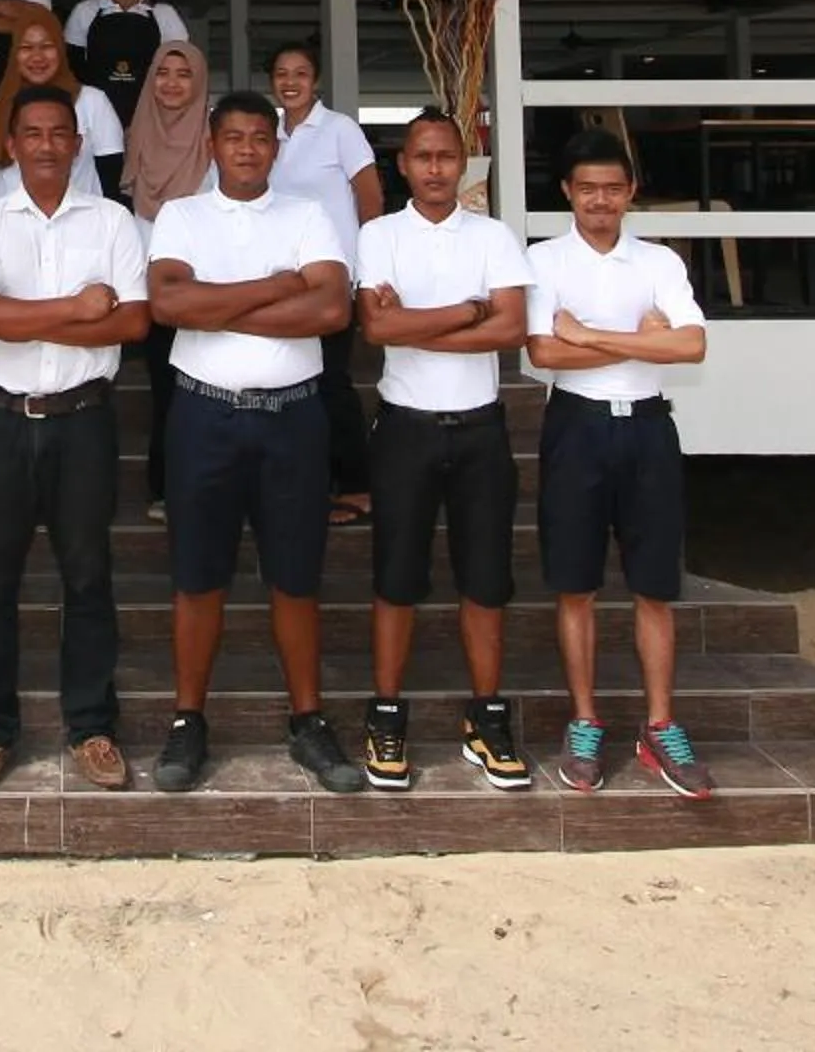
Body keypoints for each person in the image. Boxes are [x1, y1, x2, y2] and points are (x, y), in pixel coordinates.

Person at [145, 90, 366, 796]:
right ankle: (188, 721)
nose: (246, 148)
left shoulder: (308, 216)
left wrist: (222, 304)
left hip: (292, 418)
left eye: (260, 138)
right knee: (197, 577)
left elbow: (331, 309)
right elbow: (170, 305)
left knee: (295, 577)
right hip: (202, 417)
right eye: (233, 137)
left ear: (276, 147)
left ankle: (308, 721)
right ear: (212, 145)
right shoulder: (182, 216)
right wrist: (276, 287)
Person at [0, 85, 150, 792]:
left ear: (77, 142)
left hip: (85, 421)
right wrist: (75, 307)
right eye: (29, 132)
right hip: (2, 422)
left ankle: (91, 726)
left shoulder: (115, 223)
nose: (43, 144)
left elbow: (130, 324)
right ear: (10, 145)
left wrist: (23, 315)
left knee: (88, 580)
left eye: (57, 132)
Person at [526, 125, 714, 800]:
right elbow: (544, 356)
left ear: (631, 192)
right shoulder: (543, 261)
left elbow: (692, 347)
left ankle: (660, 724)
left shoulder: (659, 262)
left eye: (612, 188)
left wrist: (591, 334)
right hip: (575, 426)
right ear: (567, 194)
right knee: (575, 584)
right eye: (587, 190)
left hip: (648, 430)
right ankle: (585, 721)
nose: (600, 201)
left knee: (654, 586)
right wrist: (642, 341)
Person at [353, 109, 535, 791]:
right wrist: (466, 312)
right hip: (406, 430)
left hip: (480, 429)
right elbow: (375, 327)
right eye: (422, 156)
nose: (435, 169)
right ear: (402, 164)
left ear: (465, 164)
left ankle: (485, 718)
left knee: (486, 582)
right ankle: (387, 712)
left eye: (447, 157)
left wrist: (414, 325)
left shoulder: (492, 236)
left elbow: (513, 327)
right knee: (395, 580)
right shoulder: (379, 235)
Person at [267, 41, 382, 526]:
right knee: (292, 379)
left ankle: (356, 484)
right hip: (278, 281)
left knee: (331, 381)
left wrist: (367, 274)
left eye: (301, 73)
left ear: (316, 80)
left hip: (333, 277)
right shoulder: (267, 132)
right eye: (281, 73)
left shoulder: (340, 130)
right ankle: (305, 482)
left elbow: (370, 201)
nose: (290, 82)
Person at [118, 38, 211, 518]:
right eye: (162, 73)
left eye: (183, 74)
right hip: (153, 290)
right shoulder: (139, 132)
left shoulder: (215, 141)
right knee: (166, 392)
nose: (171, 84)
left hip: (206, 290)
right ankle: (166, 488)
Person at [0, 13, 127, 205]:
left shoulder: (92, 101)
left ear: (61, 50)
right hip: (10, 225)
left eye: (47, 46)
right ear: (14, 54)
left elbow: (112, 177)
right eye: (26, 47)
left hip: (82, 223)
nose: (37, 57)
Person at [64, 0, 188, 128]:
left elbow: (181, 72)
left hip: (152, 123)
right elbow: (70, 72)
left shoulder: (164, 15)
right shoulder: (84, 12)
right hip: (94, 123)